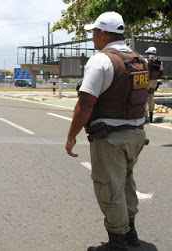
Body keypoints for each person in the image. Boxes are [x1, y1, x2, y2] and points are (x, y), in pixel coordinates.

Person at [65, 12, 148, 251]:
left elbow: (86, 103)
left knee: (108, 188)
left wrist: (72, 135)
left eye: (93, 33)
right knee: (126, 183)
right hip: (136, 134)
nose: (92, 38)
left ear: (102, 33)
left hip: (110, 138)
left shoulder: (101, 60)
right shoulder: (136, 58)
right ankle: (131, 234)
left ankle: (117, 243)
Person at [145, 46, 164, 122]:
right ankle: (151, 115)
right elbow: (161, 72)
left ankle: (145, 116)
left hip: (147, 81)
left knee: (144, 98)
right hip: (154, 81)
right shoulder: (159, 62)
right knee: (151, 97)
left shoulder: (146, 61)